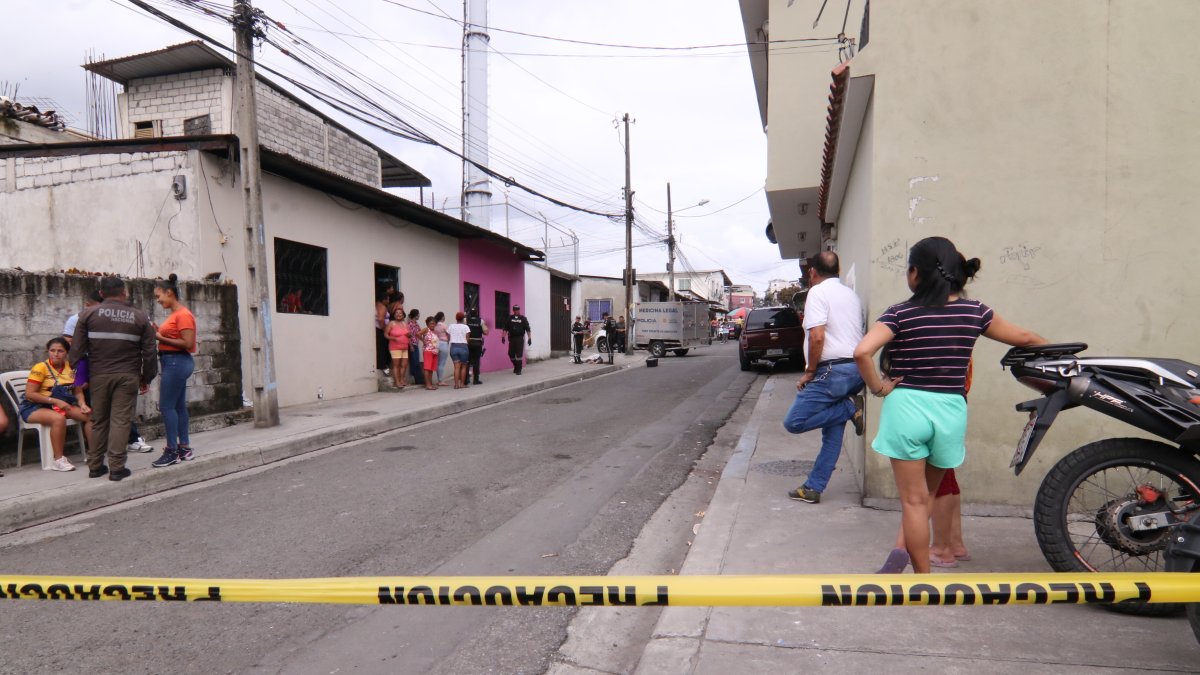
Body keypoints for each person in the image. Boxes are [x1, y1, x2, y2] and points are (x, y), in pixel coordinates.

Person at [854, 236, 1045, 573]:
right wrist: (1062, 360)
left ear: (915, 273)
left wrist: (879, 388)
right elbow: (1027, 339)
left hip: (907, 409)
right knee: (927, 497)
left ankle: (922, 580)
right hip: (950, 411)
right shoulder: (975, 312)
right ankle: (922, 571)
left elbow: (862, 352)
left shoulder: (900, 313)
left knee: (912, 503)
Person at [782, 251, 866, 504]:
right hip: (854, 371)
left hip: (832, 372)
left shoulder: (817, 293)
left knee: (794, 422)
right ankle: (813, 487)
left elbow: (817, 336)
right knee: (832, 435)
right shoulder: (851, 295)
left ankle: (849, 408)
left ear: (813, 272)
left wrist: (810, 371)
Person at [68, 275, 157, 482]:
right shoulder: (139, 317)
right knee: (120, 421)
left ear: (101, 293)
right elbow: (150, 352)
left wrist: (78, 374)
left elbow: (76, 350)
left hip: (98, 375)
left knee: (99, 421)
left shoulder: (87, 315)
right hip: (128, 375)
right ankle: (117, 468)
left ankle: (95, 466)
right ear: (124, 292)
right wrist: (147, 377)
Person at [20, 337, 92, 472]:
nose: (56, 354)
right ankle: (58, 460)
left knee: (90, 416)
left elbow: (78, 391)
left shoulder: (70, 367)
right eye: (52, 350)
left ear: (67, 353)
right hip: (34, 406)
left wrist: (82, 403)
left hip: (61, 404)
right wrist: (55, 401)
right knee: (58, 419)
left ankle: (93, 454)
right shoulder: (40, 367)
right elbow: (30, 394)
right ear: (48, 351)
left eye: (60, 351)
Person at [149, 274, 198, 468]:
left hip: (177, 362)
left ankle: (172, 451)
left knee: (166, 406)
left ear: (169, 292)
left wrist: (159, 338)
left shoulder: (183, 315)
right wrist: (159, 334)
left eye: (158, 295)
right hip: (174, 362)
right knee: (178, 407)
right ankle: (184, 447)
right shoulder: (175, 314)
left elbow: (187, 343)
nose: (158, 300)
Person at [501, 304, 532, 374]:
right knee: (510, 354)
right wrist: (503, 337)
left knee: (519, 355)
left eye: (517, 309)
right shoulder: (510, 318)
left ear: (519, 310)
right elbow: (505, 328)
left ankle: (519, 369)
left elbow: (528, 329)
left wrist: (529, 338)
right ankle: (516, 366)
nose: (516, 311)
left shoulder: (523, 318)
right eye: (515, 310)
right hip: (512, 338)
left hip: (520, 338)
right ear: (513, 310)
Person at [385, 306, 410, 389]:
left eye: (400, 313)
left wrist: (409, 336)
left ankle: (401, 379)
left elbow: (408, 335)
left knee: (404, 365)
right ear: (394, 315)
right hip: (395, 347)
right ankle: (397, 382)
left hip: (405, 347)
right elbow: (385, 334)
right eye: (397, 313)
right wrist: (393, 338)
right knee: (396, 365)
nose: (399, 314)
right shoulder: (391, 323)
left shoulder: (404, 323)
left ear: (403, 315)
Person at [447, 311, 472, 388]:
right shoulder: (466, 327)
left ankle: (456, 385)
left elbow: (448, 337)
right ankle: (462, 384)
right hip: (463, 347)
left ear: (456, 318)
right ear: (463, 318)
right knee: (464, 367)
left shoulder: (451, 326)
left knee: (456, 367)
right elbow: (467, 339)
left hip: (454, 347)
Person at [465, 308, 488, 385]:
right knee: (476, 362)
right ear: (477, 313)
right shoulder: (481, 321)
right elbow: (486, 332)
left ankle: (466, 379)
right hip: (477, 343)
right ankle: (476, 380)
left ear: (470, 313)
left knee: (467, 361)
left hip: (468, 343)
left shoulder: (466, 320)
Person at [419, 316, 440, 390]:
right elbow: (418, 334)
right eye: (431, 323)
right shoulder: (426, 329)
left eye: (434, 323)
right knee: (427, 368)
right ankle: (428, 385)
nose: (432, 325)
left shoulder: (435, 331)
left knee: (431, 369)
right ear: (427, 324)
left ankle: (430, 384)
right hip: (428, 351)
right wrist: (423, 340)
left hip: (434, 352)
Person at [406, 308, 425, 386]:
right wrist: (410, 345)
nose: (419, 316)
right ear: (415, 315)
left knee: (416, 362)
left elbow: (419, 333)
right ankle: (417, 379)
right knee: (414, 362)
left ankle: (418, 379)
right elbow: (408, 336)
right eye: (418, 314)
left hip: (416, 344)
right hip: (412, 344)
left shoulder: (416, 324)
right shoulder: (409, 324)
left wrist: (423, 340)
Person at [375, 289, 392, 373]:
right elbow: (381, 319)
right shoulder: (382, 307)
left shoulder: (377, 304)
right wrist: (385, 330)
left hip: (379, 329)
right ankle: (384, 366)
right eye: (388, 299)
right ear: (384, 299)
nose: (388, 301)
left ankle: (383, 365)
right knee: (384, 348)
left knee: (381, 348)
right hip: (381, 330)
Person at [434, 311, 451, 386]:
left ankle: (439, 380)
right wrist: (448, 341)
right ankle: (440, 381)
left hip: (437, 344)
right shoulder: (444, 325)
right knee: (442, 363)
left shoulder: (435, 325)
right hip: (444, 344)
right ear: (442, 317)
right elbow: (449, 334)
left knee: (438, 363)